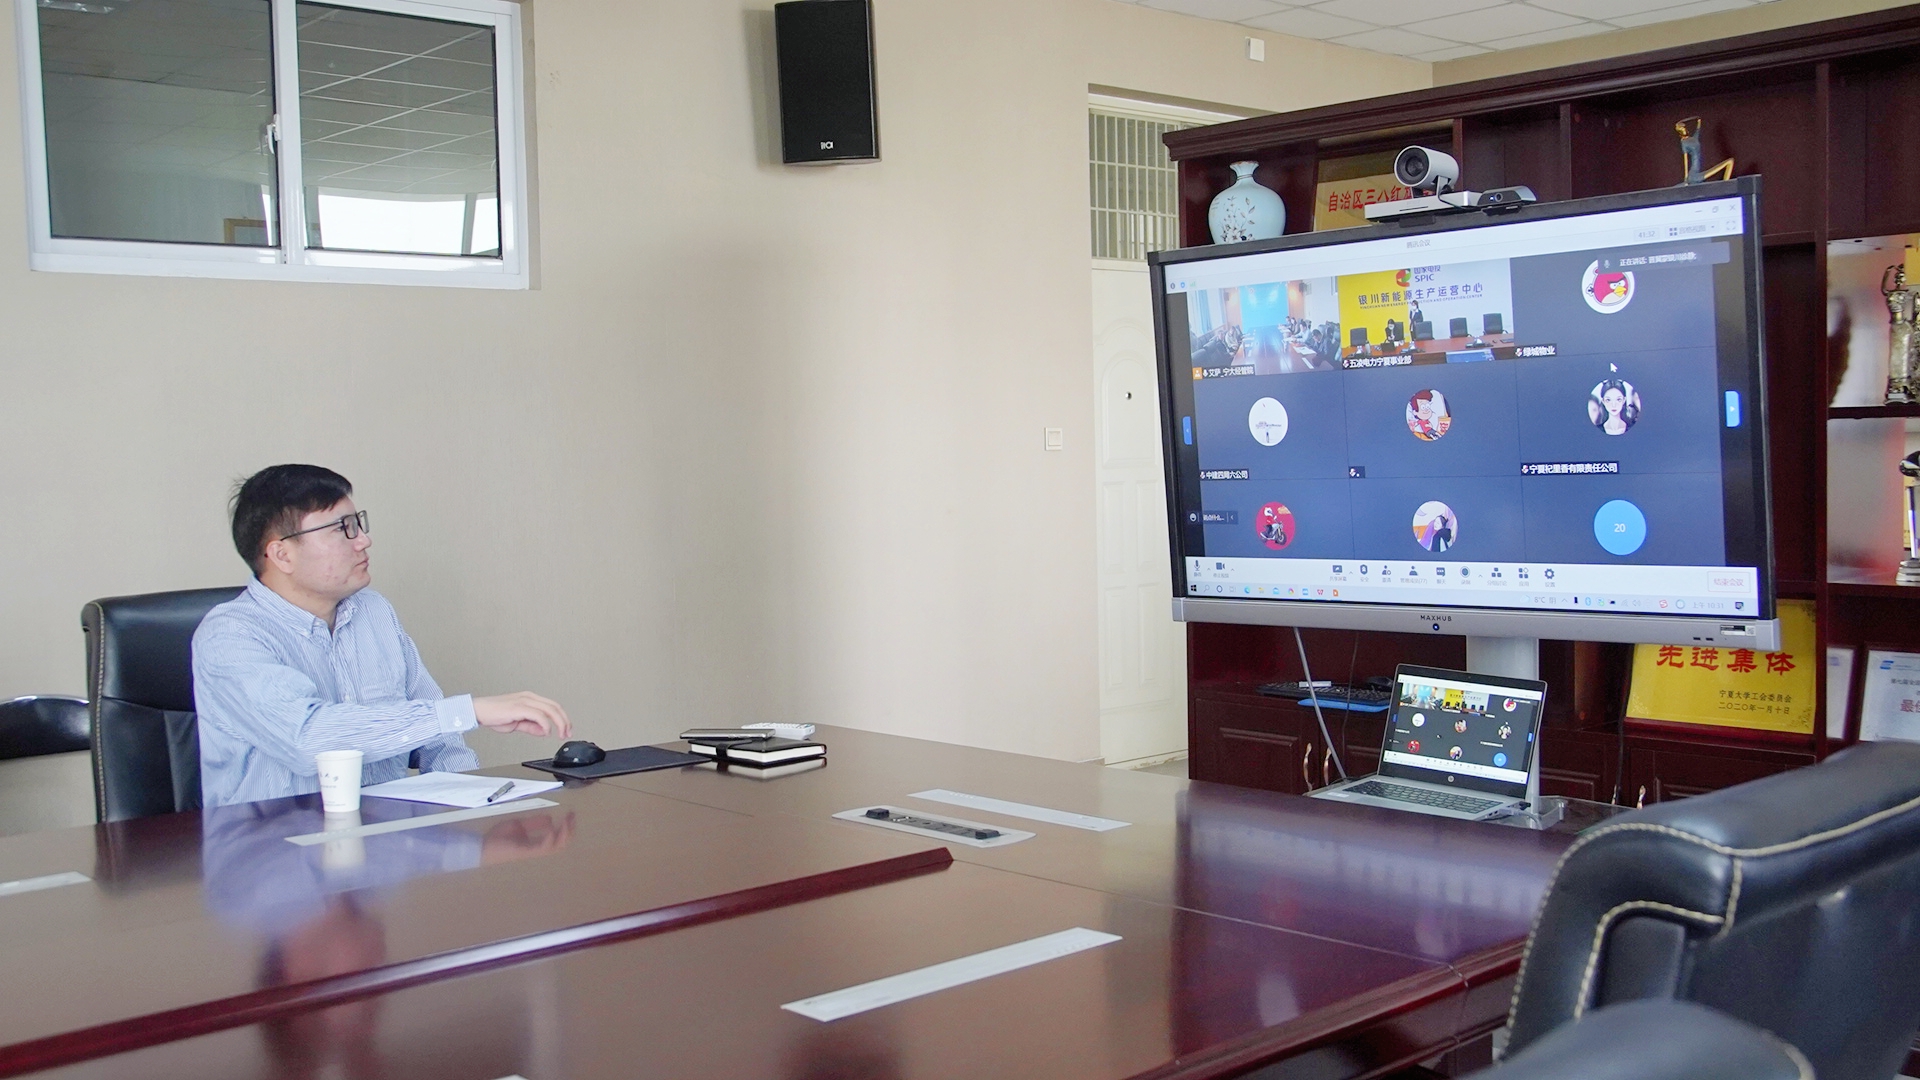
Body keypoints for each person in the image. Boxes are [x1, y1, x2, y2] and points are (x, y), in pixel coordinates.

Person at [194, 464, 571, 808]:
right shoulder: (228, 637)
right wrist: (468, 711)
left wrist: (477, 802)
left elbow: (438, 740)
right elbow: (309, 739)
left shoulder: (373, 611)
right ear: (281, 555)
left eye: (358, 524)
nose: (363, 541)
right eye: (342, 529)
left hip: (383, 840)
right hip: (271, 848)